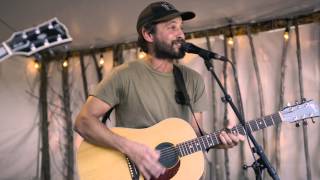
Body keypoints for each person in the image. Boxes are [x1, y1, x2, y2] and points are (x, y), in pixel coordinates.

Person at [75, 1, 244, 179]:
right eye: (172, 27)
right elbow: (83, 122)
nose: (181, 34)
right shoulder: (123, 76)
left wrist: (219, 140)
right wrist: (130, 148)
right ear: (148, 34)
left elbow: (194, 135)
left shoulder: (192, 80)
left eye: (181, 27)